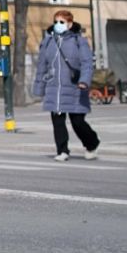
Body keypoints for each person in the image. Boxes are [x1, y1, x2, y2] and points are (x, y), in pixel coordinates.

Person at [32, 10, 100, 161]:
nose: (58, 25)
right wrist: (39, 87)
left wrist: (84, 80)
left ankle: (92, 143)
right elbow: (42, 65)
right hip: (54, 88)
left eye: (61, 22)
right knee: (58, 121)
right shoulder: (48, 41)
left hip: (75, 87)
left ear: (70, 24)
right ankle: (62, 150)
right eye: (56, 21)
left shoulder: (79, 41)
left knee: (78, 122)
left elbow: (87, 63)